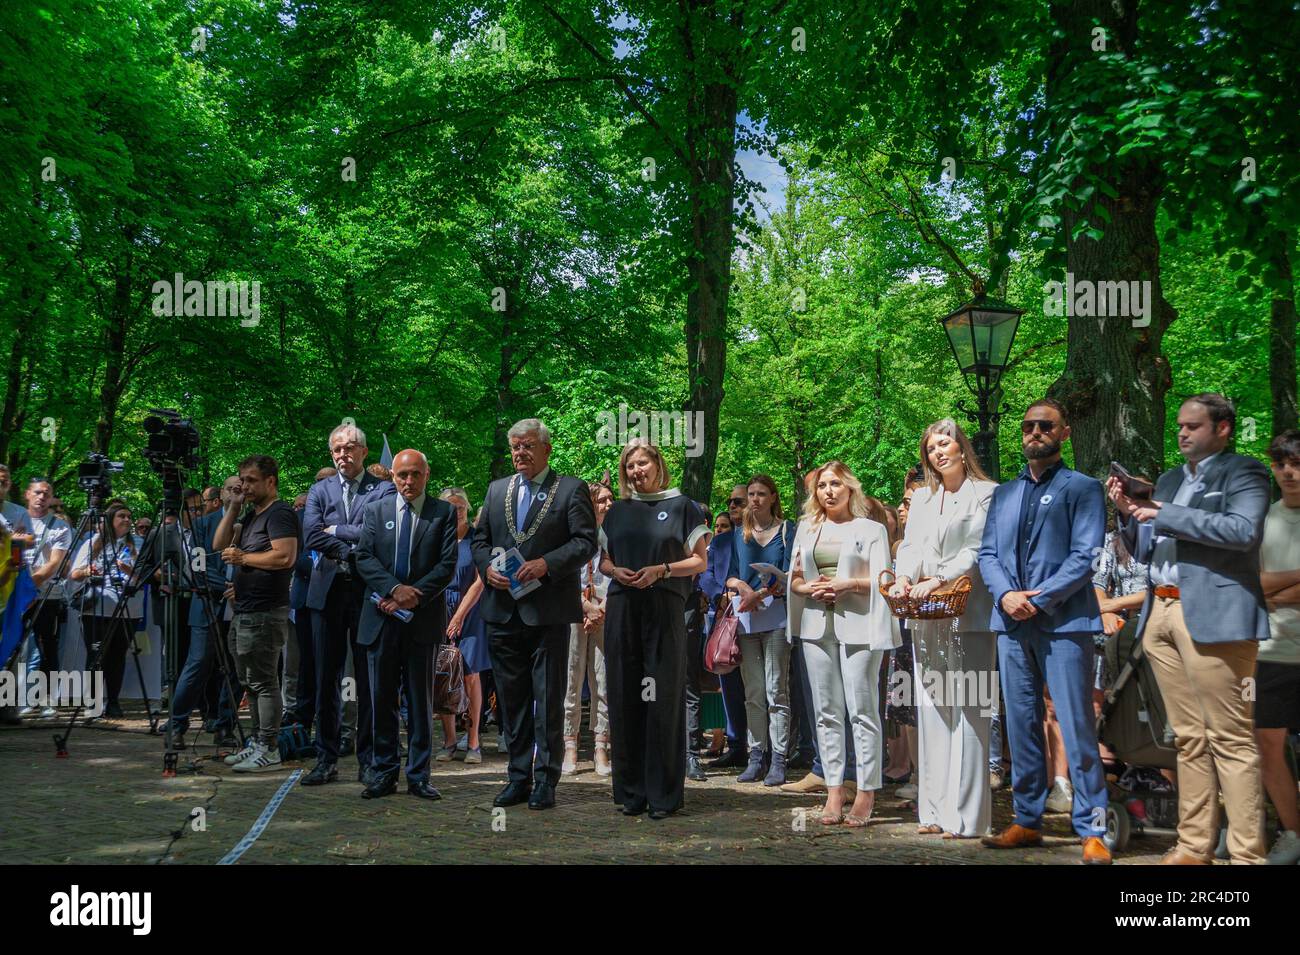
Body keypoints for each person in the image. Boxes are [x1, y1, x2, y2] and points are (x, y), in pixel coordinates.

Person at [1108, 393, 1270, 865]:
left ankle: (1246, 855)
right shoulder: (1170, 479)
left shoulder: (1245, 472)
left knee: (1232, 739)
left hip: (1217, 617)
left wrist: (1162, 511)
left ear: (1223, 429)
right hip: (1160, 612)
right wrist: (1129, 511)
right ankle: (1194, 845)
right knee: (1186, 737)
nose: (1182, 433)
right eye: (1179, 425)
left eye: (1194, 426)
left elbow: (1244, 532)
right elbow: (1145, 550)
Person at [978, 397, 1111, 864]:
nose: (1035, 432)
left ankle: (1094, 829)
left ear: (1064, 433)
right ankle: (1027, 820)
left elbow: (1086, 556)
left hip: (1066, 623)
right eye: (1029, 426)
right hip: (1012, 624)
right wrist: (1006, 596)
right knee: (1021, 725)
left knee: (1076, 728)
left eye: (1045, 426)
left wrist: (1039, 598)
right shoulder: (1004, 493)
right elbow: (987, 554)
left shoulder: (1085, 488)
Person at [471, 418, 598, 811]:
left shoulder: (571, 489)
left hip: (547, 612)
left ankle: (546, 779)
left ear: (546, 449)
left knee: (548, 698)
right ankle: (518, 776)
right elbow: (479, 540)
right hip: (503, 612)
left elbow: (585, 542)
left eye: (527, 446)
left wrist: (547, 563)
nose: (520, 453)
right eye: (514, 448)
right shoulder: (496, 491)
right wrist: (486, 569)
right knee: (512, 701)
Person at [890, 419, 997, 838]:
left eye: (945, 442)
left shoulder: (987, 494)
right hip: (925, 612)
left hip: (969, 610)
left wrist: (940, 578)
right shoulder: (922, 500)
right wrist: (903, 578)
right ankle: (933, 810)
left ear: (961, 447)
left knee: (970, 710)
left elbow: (978, 548)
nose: (938, 451)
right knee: (933, 709)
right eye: (931, 447)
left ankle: (968, 816)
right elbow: (912, 546)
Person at [600, 439, 710, 818]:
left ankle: (663, 794)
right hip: (623, 607)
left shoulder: (682, 506)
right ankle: (632, 792)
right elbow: (603, 561)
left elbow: (699, 562)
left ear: (658, 465)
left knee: (661, 698)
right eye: (630, 466)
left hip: (664, 608)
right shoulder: (617, 511)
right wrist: (616, 571)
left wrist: (661, 570)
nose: (636, 471)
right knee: (625, 695)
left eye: (642, 463)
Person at [787, 460, 899, 826]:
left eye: (835, 484)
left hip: (861, 625)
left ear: (850, 488)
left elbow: (884, 581)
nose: (828, 491)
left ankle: (866, 791)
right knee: (826, 711)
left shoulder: (870, 528)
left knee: (862, 710)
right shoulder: (807, 527)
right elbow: (796, 580)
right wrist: (811, 588)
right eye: (822, 486)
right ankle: (834, 790)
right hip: (816, 625)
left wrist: (847, 584)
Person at [353, 449, 458, 800]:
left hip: (422, 621)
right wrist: (392, 590)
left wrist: (413, 595)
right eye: (402, 475)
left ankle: (419, 775)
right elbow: (363, 557)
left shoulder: (442, 513)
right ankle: (383, 773)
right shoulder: (374, 510)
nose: (408, 482)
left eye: (415, 474)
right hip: (381, 619)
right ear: (393, 477)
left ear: (427, 474)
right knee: (382, 700)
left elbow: (446, 565)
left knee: (419, 700)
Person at [300, 423, 395, 787]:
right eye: (338, 449)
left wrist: (336, 531)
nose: (344, 454)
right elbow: (309, 534)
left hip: (367, 595)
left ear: (364, 452)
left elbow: (379, 533)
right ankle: (325, 758)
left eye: (351, 448)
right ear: (331, 453)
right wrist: (353, 551)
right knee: (326, 679)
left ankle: (368, 760)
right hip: (326, 594)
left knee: (370, 680)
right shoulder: (319, 490)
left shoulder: (383, 489)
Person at [213, 455, 299, 773]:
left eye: (251, 480)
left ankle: (269, 746)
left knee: (264, 682)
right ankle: (256, 742)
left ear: (270, 481)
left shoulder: (280, 513)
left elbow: (285, 557)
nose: (244, 485)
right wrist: (234, 506)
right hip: (244, 611)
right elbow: (219, 544)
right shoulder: (250, 515)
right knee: (249, 683)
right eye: (241, 479)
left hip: (265, 613)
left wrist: (245, 558)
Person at [725, 474, 796, 785]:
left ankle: (779, 759)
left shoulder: (787, 530)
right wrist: (742, 586)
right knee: (753, 692)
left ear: (773, 497)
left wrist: (762, 593)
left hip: (777, 619)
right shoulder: (739, 535)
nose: (754, 500)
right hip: (746, 620)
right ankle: (757, 756)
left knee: (776, 689)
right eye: (751, 494)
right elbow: (727, 576)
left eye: (761, 494)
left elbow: (792, 574)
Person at [167, 475, 243, 748]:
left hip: (242, 606)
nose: (237, 493)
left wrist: (243, 588)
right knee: (198, 663)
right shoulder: (202, 525)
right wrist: (227, 586)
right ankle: (177, 724)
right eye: (231, 489)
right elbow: (198, 569)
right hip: (208, 603)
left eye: (241, 488)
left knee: (235, 669)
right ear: (220, 494)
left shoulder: (257, 521)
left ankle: (225, 726)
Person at [1257, 430, 1300, 865]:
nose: (1289, 472)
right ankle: (1292, 834)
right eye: (1281, 464)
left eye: (1298, 464)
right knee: (1266, 745)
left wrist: (1275, 590)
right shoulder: (1265, 518)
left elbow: (1269, 586)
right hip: (1270, 652)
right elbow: (1254, 583)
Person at [68, 503, 144, 719]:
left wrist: (128, 569)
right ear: (111, 519)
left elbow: (142, 579)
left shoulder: (137, 543)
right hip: (97, 610)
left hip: (128, 611)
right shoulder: (93, 542)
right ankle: (93, 703)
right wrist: (88, 570)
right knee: (96, 656)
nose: (127, 520)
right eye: (122, 516)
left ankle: (113, 702)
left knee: (117, 657)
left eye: (130, 516)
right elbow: (74, 574)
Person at [561, 479, 613, 776]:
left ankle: (601, 745)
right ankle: (569, 743)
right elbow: (564, 574)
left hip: (605, 611)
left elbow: (619, 573)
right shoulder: (571, 533)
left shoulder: (616, 534)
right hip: (575, 611)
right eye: (602, 500)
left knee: (602, 680)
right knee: (571, 676)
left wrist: (602, 608)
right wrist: (586, 608)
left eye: (610, 499)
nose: (608, 505)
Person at [436, 487, 491, 765]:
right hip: (439, 610)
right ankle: (448, 741)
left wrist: (459, 616)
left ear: (468, 509)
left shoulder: (477, 538)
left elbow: (481, 581)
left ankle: (473, 740)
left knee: (470, 674)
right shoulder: (438, 538)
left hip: (470, 611)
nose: (456, 512)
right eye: (451, 507)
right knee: (444, 675)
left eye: (461, 507)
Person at [700, 485, 750, 769]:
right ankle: (735, 744)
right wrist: (722, 594)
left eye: (738, 501)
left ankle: (762, 747)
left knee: (758, 687)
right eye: (729, 501)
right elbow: (705, 576)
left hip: (757, 617)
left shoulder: (761, 538)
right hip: (722, 619)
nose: (732, 505)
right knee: (727, 684)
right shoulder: (719, 543)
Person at [20, 477, 71, 716]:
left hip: (45, 596)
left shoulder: (59, 527)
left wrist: (29, 586)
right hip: (12, 595)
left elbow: (55, 562)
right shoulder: (13, 521)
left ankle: (46, 699)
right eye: (38, 492)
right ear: (27, 494)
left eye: (47, 494)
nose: (42, 497)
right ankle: (14, 698)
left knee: (46, 646)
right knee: (14, 647)